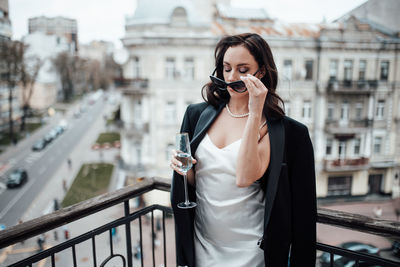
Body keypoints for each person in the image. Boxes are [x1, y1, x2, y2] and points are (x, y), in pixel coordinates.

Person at [170, 33, 316, 267]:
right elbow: (200, 181)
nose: (231, 77)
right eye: (227, 68)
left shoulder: (288, 132)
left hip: (251, 253)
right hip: (201, 243)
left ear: (262, 72)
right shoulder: (196, 114)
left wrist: (255, 110)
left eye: (243, 69)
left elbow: (244, 177)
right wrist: (182, 168)